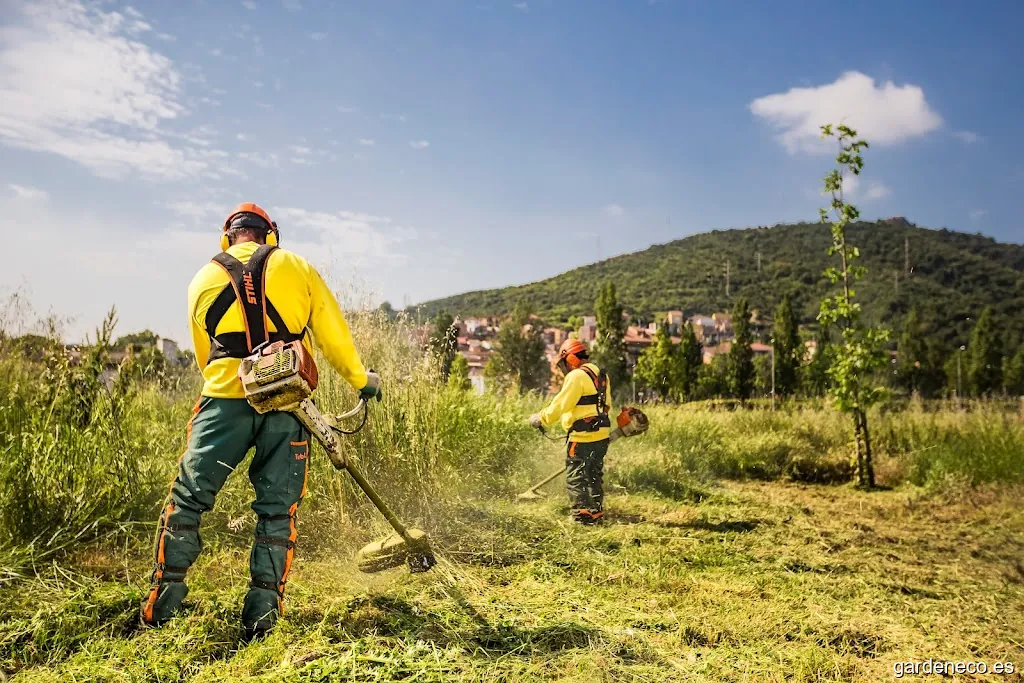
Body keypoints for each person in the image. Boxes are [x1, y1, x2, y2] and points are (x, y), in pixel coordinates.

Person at [141, 202, 382, 641]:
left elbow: (203, 355)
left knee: (188, 501)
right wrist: (361, 380)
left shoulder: (201, 278)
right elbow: (331, 334)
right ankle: (261, 618)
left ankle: (162, 605)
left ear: (226, 237)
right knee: (277, 511)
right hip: (288, 405)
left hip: (222, 403)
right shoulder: (296, 265)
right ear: (271, 235)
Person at [529, 338, 612, 525]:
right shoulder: (602, 375)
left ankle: (581, 516)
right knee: (594, 474)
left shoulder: (576, 377)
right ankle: (596, 513)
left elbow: (560, 404)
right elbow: (607, 406)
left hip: (581, 436)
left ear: (572, 359)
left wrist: (541, 418)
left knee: (577, 475)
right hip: (601, 435)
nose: (565, 367)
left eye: (565, 363)